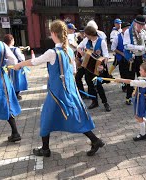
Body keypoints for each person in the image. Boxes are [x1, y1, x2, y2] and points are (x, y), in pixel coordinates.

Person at [13, 20, 104, 157]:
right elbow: (73, 71)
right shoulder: (69, 52)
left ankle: (46, 149)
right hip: (69, 89)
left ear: (54, 33)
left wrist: (19, 65)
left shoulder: (52, 52)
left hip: (57, 92)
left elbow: (34, 62)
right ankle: (93, 140)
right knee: (73, 116)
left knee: (48, 117)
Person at [115, 62, 146, 141]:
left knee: (139, 117)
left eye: (141, 70)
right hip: (138, 99)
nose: (139, 71)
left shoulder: (143, 82)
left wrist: (121, 80)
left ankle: (143, 134)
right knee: (138, 116)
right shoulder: (142, 79)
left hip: (141, 100)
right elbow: (134, 81)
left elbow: (131, 81)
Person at [77, 26, 111, 112]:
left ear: (90, 34)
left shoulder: (101, 41)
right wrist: (81, 52)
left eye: (86, 34)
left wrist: (103, 66)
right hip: (88, 67)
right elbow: (78, 47)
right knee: (90, 85)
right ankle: (94, 101)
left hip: (97, 68)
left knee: (98, 85)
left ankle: (105, 103)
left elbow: (106, 55)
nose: (85, 35)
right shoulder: (86, 41)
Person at [123, 15, 146, 101]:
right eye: (139, 25)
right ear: (135, 23)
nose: (141, 27)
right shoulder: (128, 32)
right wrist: (139, 47)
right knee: (131, 78)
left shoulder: (143, 32)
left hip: (141, 58)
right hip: (132, 59)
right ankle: (128, 97)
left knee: (143, 78)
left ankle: (144, 94)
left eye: (142, 25)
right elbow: (126, 46)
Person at [111, 22, 134, 105]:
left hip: (131, 60)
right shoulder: (117, 38)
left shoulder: (131, 37)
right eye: (127, 28)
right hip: (121, 60)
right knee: (124, 76)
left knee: (130, 77)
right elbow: (113, 48)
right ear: (123, 29)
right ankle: (125, 85)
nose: (129, 30)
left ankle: (129, 97)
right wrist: (122, 54)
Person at [3, 34, 28, 100]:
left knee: (8, 80)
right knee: (17, 80)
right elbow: (22, 58)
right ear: (11, 40)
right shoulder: (16, 49)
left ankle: (10, 94)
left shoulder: (3, 49)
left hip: (6, 68)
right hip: (16, 67)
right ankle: (16, 94)